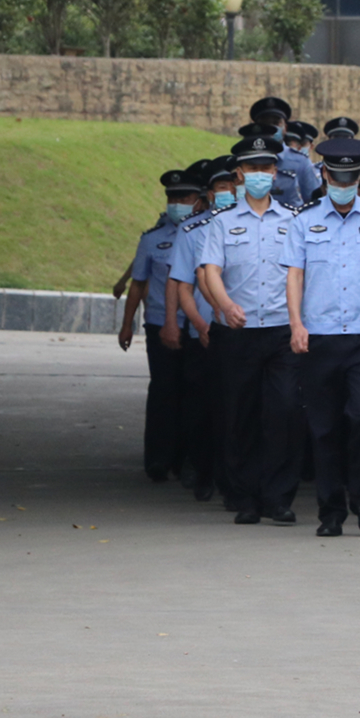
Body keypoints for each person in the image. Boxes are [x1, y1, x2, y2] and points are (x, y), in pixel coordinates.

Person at [283, 139, 360, 537]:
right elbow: (295, 275)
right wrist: (296, 324)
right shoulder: (303, 221)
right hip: (319, 337)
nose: (345, 183)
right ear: (325, 176)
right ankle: (330, 510)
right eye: (338, 177)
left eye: (352, 177)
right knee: (323, 427)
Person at [195, 133, 301, 525]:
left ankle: (279, 497)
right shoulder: (221, 223)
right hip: (238, 332)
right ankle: (244, 496)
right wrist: (224, 305)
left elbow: (300, 273)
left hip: (280, 332)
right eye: (253, 168)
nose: (260, 174)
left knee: (284, 411)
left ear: (275, 173)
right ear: (239, 174)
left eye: (266, 168)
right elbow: (211, 270)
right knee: (240, 414)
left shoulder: (293, 220)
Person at [119, 167, 205, 482]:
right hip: (160, 324)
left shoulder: (208, 233)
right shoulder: (152, 239)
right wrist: (127, 324)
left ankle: (188, 459)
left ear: (199, 199)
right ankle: (159, 458)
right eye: (172, 197)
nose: (177, 202)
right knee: (164, 391)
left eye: (184, 197)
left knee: (194, 392)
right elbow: (138, 283)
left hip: (198, 327)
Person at [164, 157, 235, 502]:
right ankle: (203, 470)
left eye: (233, 186)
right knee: (202, 408)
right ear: (209, 194)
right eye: (222, 188)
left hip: (247, 332)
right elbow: (182, 285)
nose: (230, 193)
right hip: (205, 333)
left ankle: (232, 475)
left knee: (237, 409)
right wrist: (198, 324)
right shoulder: (193, 230)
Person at [250, 97, 320, 206]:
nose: (271, 128)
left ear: (285, 128)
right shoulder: (245, 160)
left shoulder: (300, 162)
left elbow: (314, 202)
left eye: (276, 123)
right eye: (265, 123)